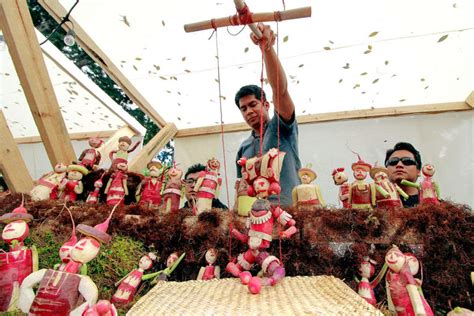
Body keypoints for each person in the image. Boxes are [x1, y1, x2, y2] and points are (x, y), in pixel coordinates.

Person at [235, 23, 301, 207]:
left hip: (290, 217)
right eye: (243, 108)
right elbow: (241, 189)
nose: (248, 111)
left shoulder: (282, 127)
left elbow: (280, 90)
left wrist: (267, 49)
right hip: (256, 222)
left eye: (253, 104)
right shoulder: (244, 148)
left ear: (266, 104)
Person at [384, 142, 422, 207]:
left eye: (407, 161)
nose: (399, 165)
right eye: (393, 162)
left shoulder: (435, 203)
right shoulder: (373, 203)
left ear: (418, 171)